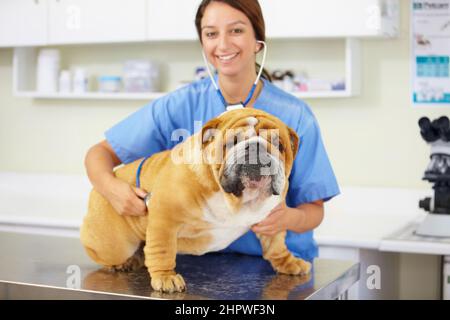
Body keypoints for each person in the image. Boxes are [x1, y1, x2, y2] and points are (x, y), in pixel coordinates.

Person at [84, 0, 339, 262]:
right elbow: (99, 153)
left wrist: (289, 218)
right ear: (203, 44)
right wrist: (112, 188)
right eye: (211, 34)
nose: (223, 44)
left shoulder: (294, 116)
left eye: (236, 30)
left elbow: (314, 211)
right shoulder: (180, 105)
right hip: (195, 266)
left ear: (258, 41)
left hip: (272, 266)